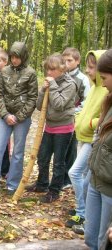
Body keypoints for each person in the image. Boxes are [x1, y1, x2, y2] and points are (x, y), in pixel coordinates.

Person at [0, 42, 38, 195]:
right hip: (5, 116)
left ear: (23, 57)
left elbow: (32, 98)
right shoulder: (5, 71)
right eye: (12, 57)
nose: (14, 60)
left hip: (22, 118)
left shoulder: (31, 73)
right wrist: (6, 115)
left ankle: (13, 184)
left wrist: (19, 116)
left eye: (17, 57)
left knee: (18, 152)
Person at [66, 50, 108, 229]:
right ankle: (81, 210)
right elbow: (86, 106)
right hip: (82, 136)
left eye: (92, 68)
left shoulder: (106, 90)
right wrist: (79, 115)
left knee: (74, 173)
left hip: (94, 139)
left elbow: (106, 117)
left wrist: (91, 123)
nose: (88, 71)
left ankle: (83, 213)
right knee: (83, 176)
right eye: (88, 67)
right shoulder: (93, 87)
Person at [27, 53, 76, 203]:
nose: (49, 73)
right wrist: (42, 90)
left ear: (62, 69)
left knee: (58, 162)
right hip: (50, 127)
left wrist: (53, 86)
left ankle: (54, 191)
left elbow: (59, 104)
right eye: (47, 69)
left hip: (64, 128)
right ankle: (42, 184)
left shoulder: (70, 84)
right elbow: (38, 106)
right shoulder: (50, 82)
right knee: (42, 157)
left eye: (52, 69)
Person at [84, 49, 112, 250]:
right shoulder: (108, 101)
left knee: (104, 242)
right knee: (91, 238)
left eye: (104, 77)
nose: (102, 83)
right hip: (96, 179)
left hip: (110, 188)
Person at [61, 47, 90, 190]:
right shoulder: (60, 76)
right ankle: (60, 177)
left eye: (69, 60)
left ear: (77, 61)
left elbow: (86, 101)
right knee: (61, 148)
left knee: (70, 148)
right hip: (60, 119)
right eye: (64, 60)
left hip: (74, 119)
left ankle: (68, 179)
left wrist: (74, 112)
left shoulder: (83, 79)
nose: (66, 63)